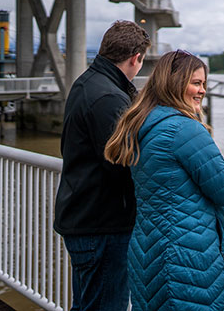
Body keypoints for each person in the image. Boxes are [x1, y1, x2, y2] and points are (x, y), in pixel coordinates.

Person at [104, 49, 224, 311]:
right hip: (186, 259)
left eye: (204, 84)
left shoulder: (144, 124)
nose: (202, 91)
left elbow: (177, 187)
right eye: (196, 83)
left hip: (149, 251)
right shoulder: (185, 128)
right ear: (174, 84)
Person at [53, 20, 151, 311]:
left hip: (85, 217)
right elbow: (122, 164)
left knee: (86, 305)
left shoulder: (88, 82)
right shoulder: (109, 97)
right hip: (103, 225)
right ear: (136, 58)